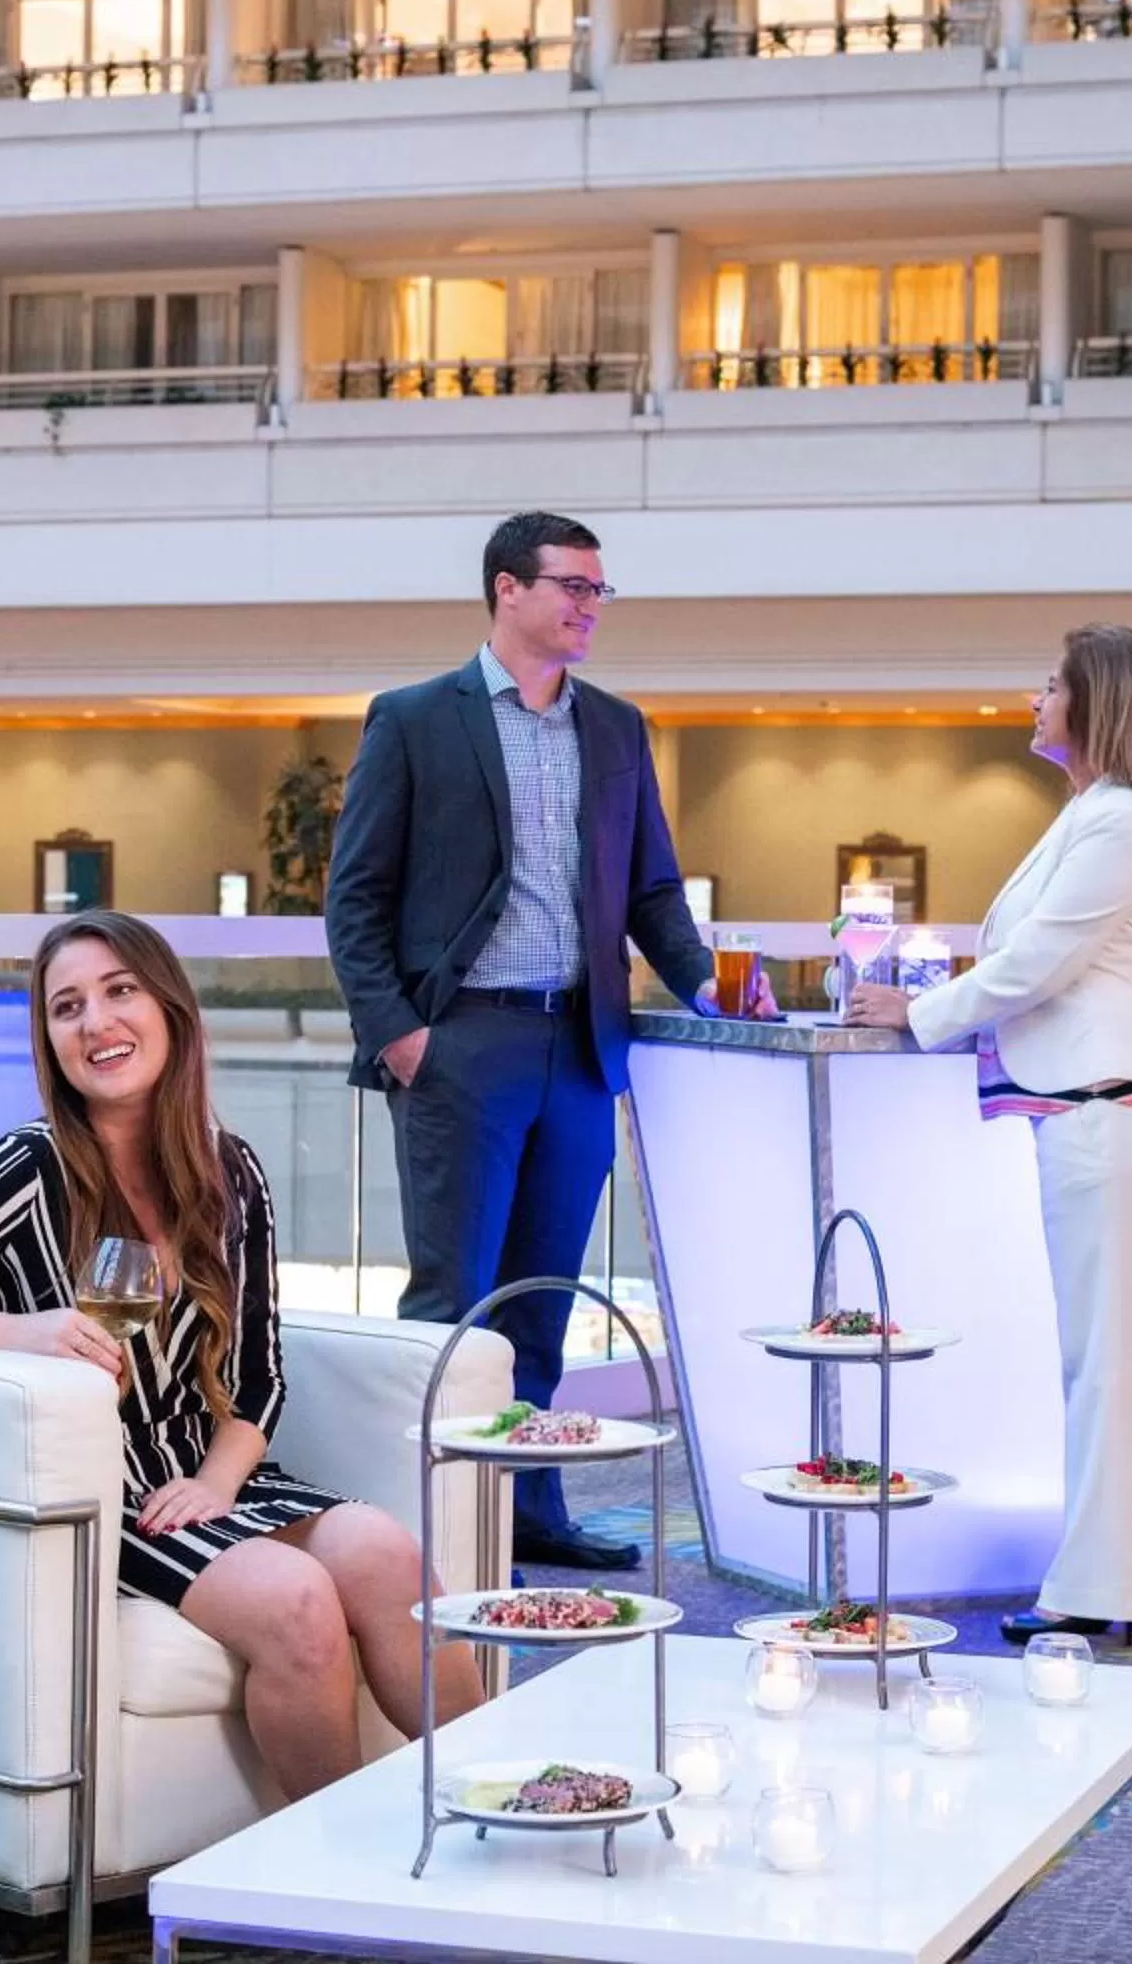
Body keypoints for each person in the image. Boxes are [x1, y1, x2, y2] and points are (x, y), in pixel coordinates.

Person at [0, 910, 483, 1802]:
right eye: (67, 1007)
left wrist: (217, 1482)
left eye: (119, 991)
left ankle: (498, 1811)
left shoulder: (227, 1169)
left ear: (168, 1008)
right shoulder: (29, 1168)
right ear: (50, 1042)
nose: (96, 1023)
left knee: (386, 1551)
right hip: (106, 1496)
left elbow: (257, 1378)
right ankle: (336, 1888)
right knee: (296, 1602)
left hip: (204, 1483)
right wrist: (28, 1330)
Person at [325, 510, 771, 1573]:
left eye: (598, 590)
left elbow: (652, 886)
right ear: (506, 590)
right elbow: (356, 900)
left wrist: (702, 978)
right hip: (461, 1047)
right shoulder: (415, 720)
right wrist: (402, 1040)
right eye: (571, 585)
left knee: (543, 1301)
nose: (588, 606)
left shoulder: (615, 729)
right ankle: (440, 1525)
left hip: (577, 1050)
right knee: (454, 1304)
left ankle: (531, 1513)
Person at [847, 624, 1132, 1648]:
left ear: (1098, 701)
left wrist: (917, 1013)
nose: (1035, 697)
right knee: (1115, 1354)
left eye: (1052, 684)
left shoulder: (1121, 819)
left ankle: (1101, 1587)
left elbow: (1039, 960)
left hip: (1111, 1104)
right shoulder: (1098, 812)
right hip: (1096, 1102)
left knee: (1108, 1359)